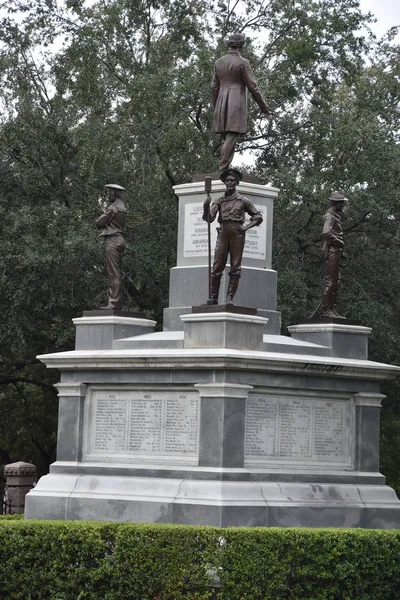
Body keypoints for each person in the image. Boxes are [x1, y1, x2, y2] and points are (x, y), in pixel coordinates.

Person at [203, 168, 263, 305]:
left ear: (237, 182)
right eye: (228, 180)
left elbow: (258, 216)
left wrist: (246, 227)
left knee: (236, 267)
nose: (230, 183)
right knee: (217, 265)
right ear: (224, 182)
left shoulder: (243, 201)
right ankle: (213, 297)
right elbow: (209, 219)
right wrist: (205, 206)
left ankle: (230, 298)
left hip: (237, 233)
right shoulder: (219, 201)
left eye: (233, 180)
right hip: (223, 232)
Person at [212, 32, 269, 171]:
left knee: (225, 135)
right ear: (241, 45)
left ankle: (223, 165)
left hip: (221, 101)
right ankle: (224, 167)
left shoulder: (219, 62)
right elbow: (253, 86)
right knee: (232, 134)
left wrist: (216, 105)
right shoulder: (243, 62)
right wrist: (264, 106)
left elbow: (214, 86)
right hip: (235, 101)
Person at [96, 183, 127, 310]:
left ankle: (114, 303)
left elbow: (99, 222)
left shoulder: (113, 208)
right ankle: (115, 302)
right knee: (116, 272)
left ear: (114, 193)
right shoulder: (123, 207)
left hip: (113, 240)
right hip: (120, 239)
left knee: (113, 273)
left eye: (109, 193)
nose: (108, 195)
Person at [322, 191, 347, 318]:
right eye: (341, 203)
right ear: (336, 203)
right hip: (332, 251)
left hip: (336, 252)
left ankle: (333, 309)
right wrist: (338, 242)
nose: (343, 205)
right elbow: (326, 232)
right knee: (331, 282)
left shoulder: (335, 216)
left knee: (336, 281)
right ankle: (327, 311)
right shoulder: (330, 216)